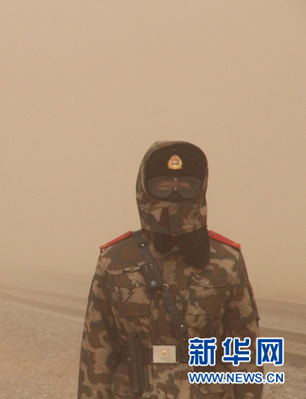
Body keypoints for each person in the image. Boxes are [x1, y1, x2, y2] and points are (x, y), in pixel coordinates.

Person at [78, 141, 262, 399]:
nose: (174, 193)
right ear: (145, 188)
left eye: (185, 186)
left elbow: (246, 348)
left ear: (200, 188)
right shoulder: (115, 259)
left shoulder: (226, 260)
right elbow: (96, 350)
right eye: (163, 185)